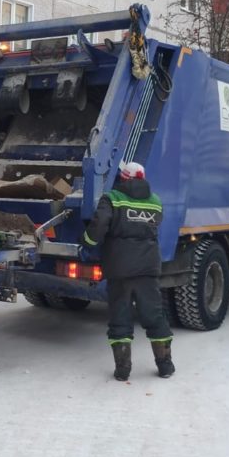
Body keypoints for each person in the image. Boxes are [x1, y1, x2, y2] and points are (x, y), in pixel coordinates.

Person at [82, 162, 174, 381]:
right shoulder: (155, 201)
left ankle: (123, 370)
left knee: (120, 318)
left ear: (123, 178)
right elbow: (155, 225)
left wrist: (87, 242)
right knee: (154, 316)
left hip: (120, 268)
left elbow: (99, 225)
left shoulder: (112, 198)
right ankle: (165, 365)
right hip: (148, 268)